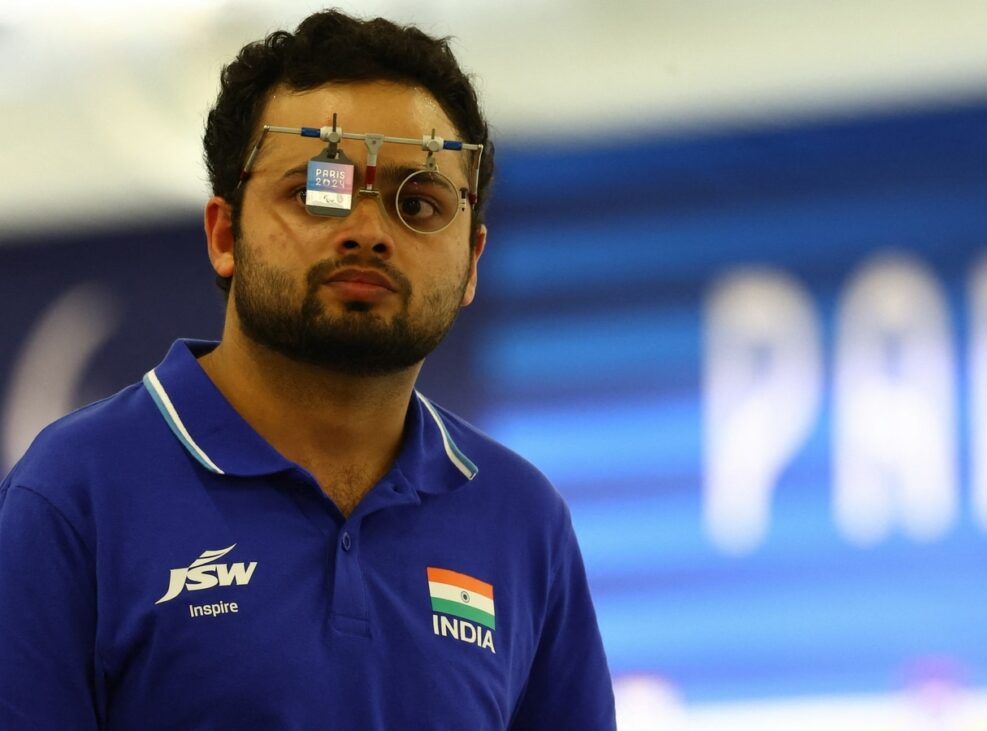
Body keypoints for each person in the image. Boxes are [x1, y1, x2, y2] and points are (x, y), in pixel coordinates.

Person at [0, 10, 616, 730]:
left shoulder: (521, 520)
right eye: (318, 190)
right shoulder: (76, 492)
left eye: (418, 203)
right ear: (225, 235)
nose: (368, 230)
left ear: (472, 260)